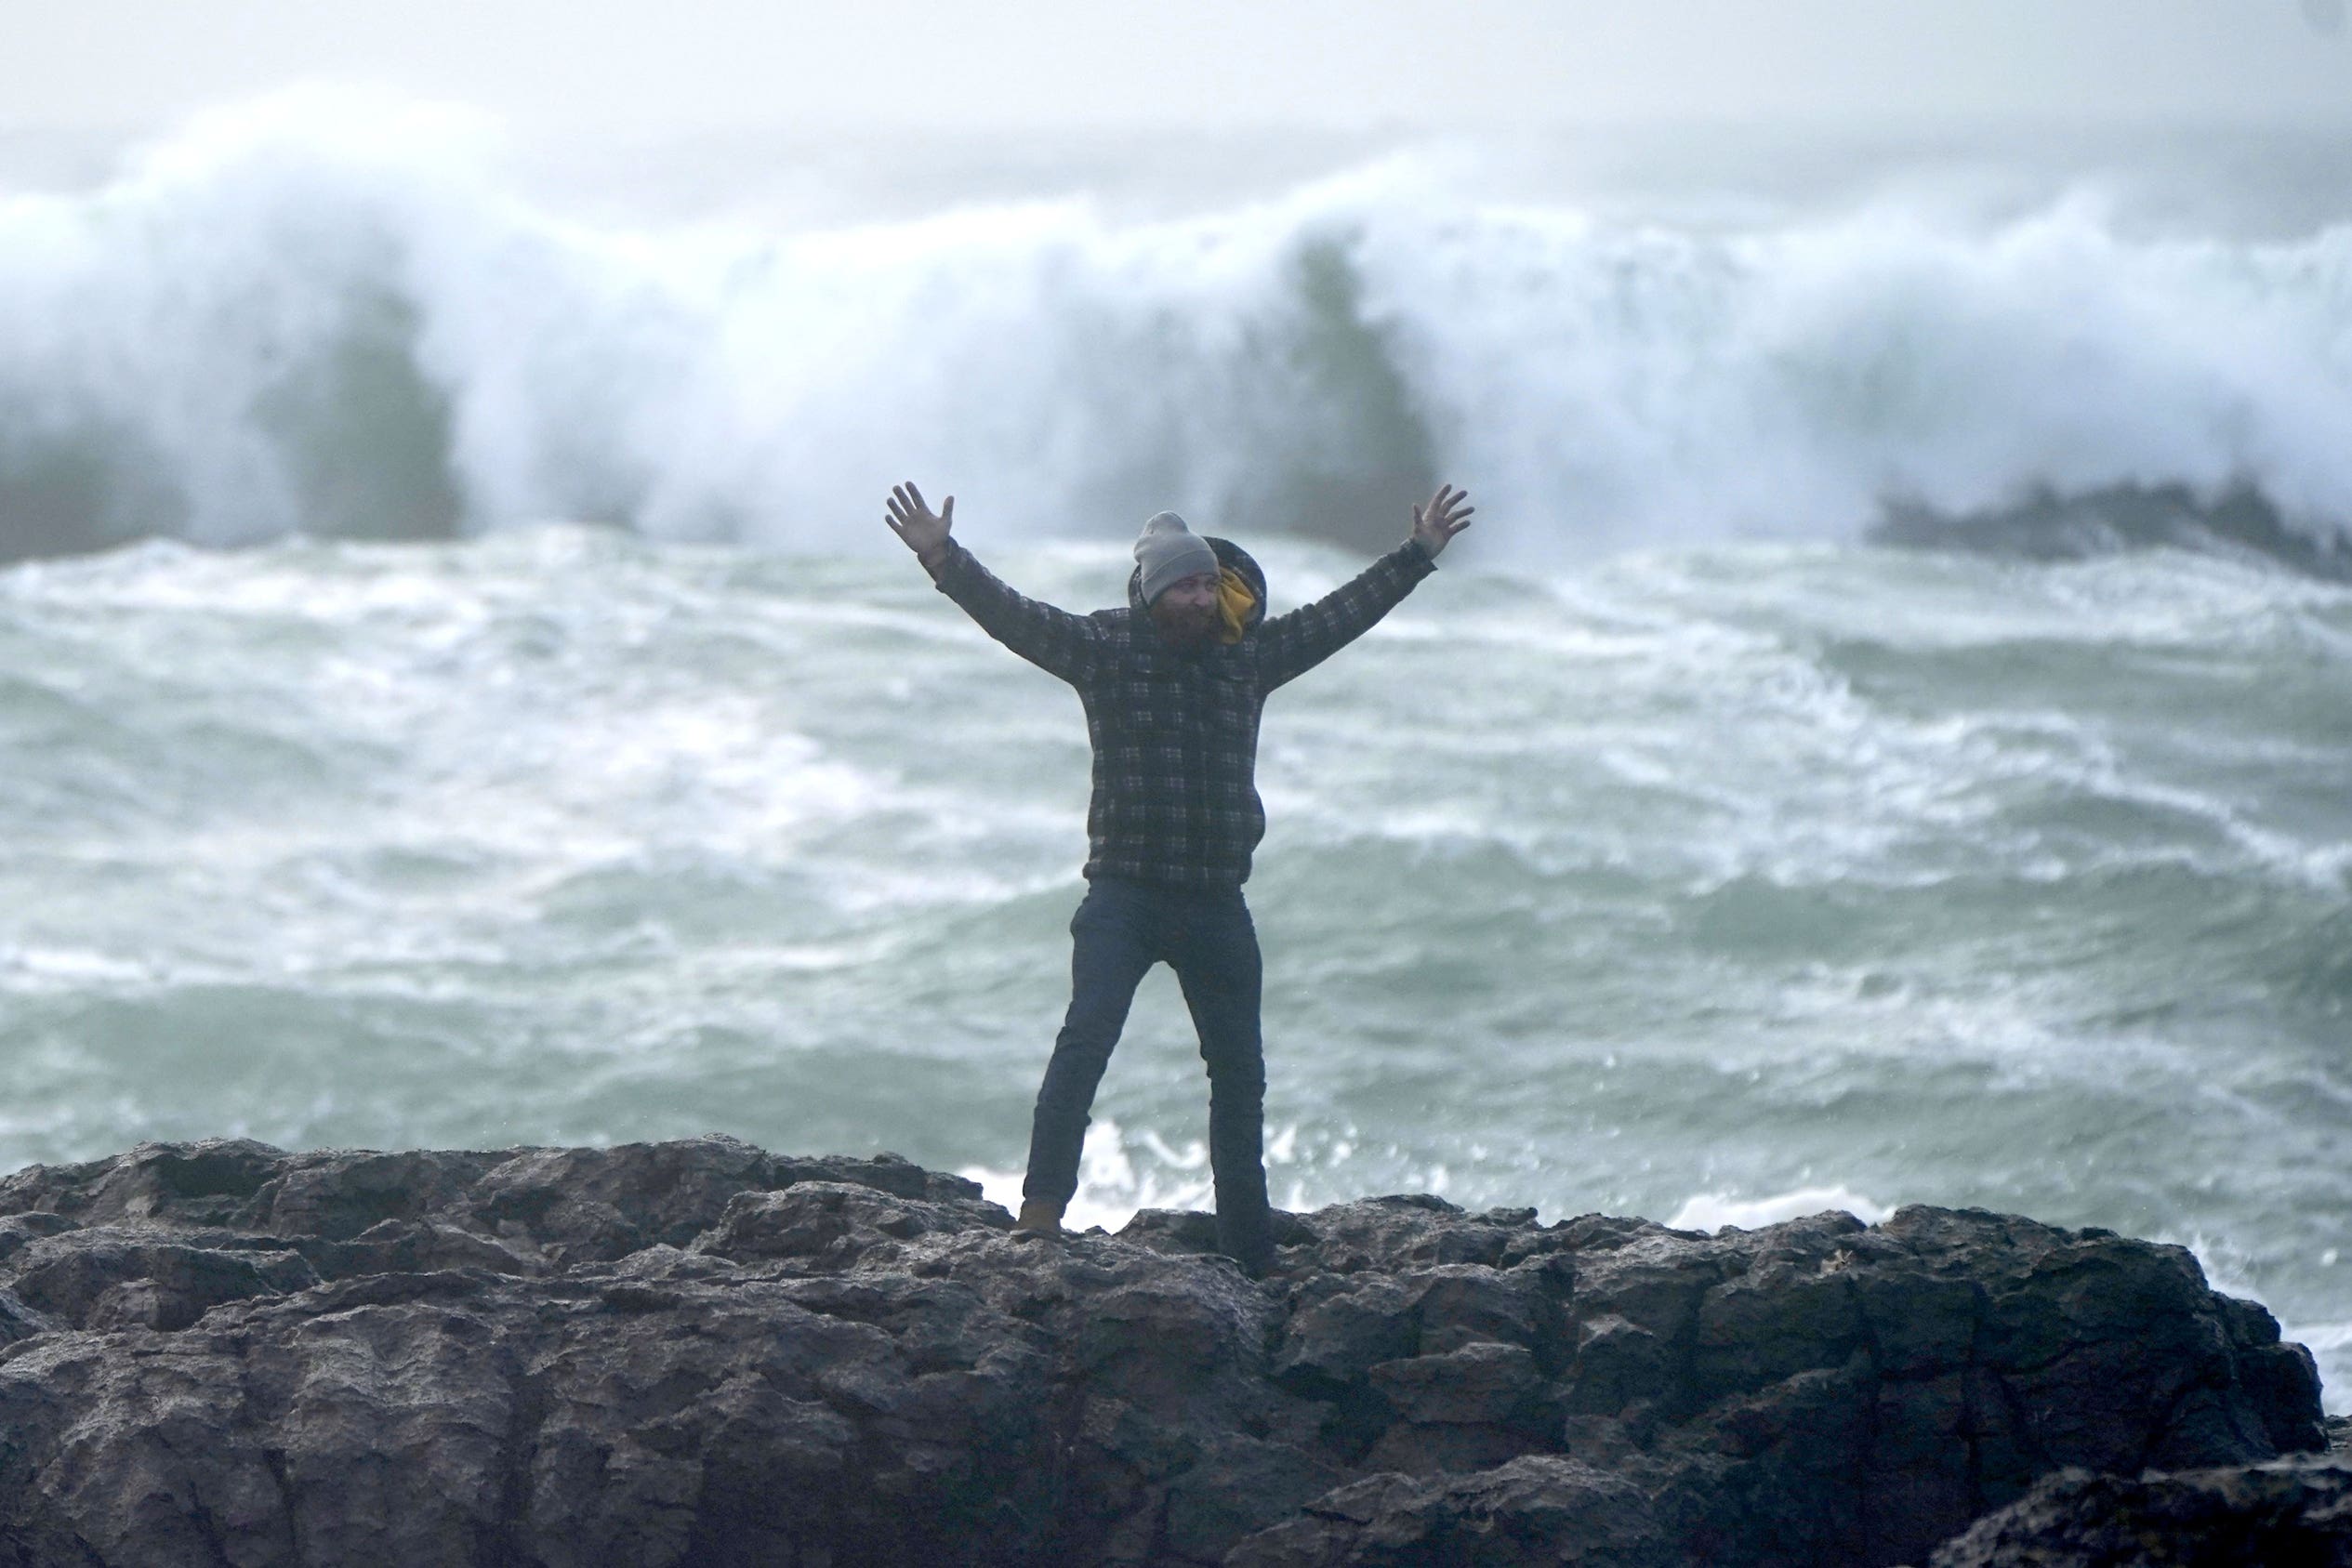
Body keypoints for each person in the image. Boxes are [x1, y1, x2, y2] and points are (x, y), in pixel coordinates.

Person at [884, 481, 1475, 1274]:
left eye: (1209, 584)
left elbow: (1343, 614)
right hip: (1123, 896)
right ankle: (1040, 1212)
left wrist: (1416, 556)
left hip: (1215, 902)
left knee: (1240, 1078)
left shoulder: (1247, 657)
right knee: (1083, 1045)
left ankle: (1249, 1247)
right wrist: (942, 559)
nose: (1203, 598)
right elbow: (1016, 617)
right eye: (1188, 585)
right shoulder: (1106, 649)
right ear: (1156, 593)